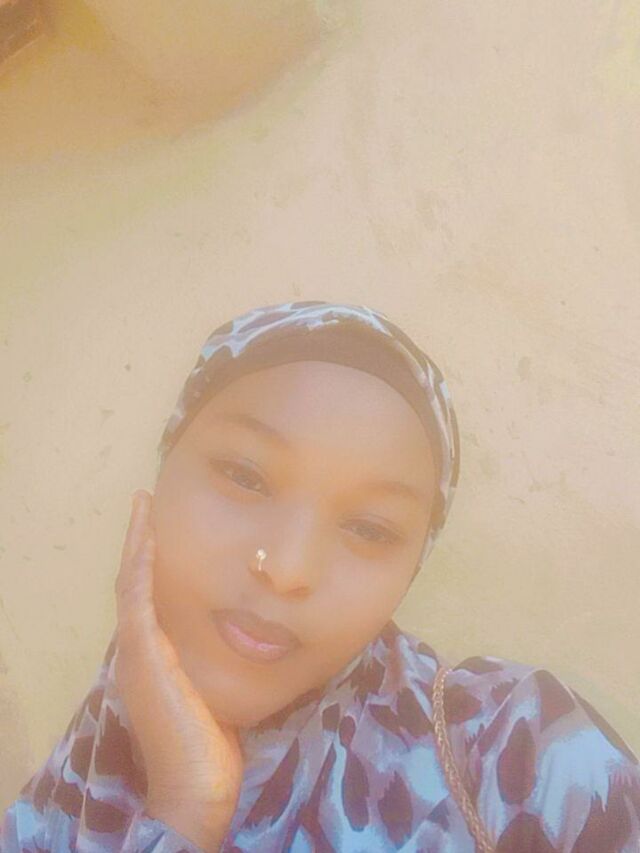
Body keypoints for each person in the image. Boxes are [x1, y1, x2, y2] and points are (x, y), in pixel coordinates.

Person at [2, 299, 639, 852]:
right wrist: (186, 807)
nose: (287, 570)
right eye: (245, 476)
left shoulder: (521, 757)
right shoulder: (65, 802)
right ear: (162, 478)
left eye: (370, 529)